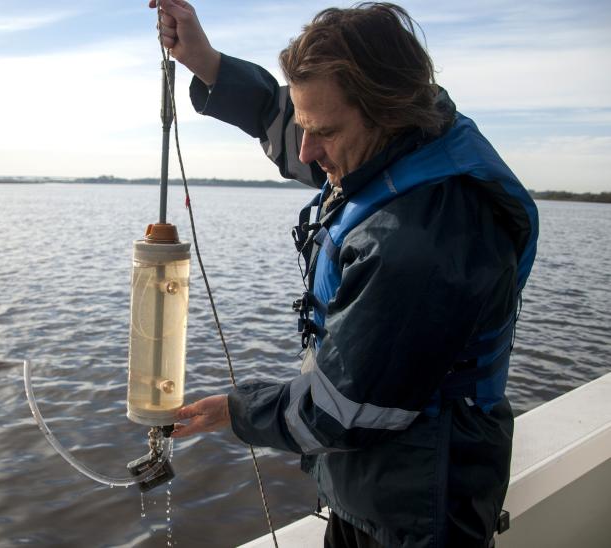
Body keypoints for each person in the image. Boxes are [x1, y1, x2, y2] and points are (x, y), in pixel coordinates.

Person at [149, 1, 539, 546]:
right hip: (371, 490)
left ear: (388, 112)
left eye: (324, 132)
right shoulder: (395, 145)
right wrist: (207, 62)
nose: (307, 152)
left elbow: (341, 413)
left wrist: (234, 410)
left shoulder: (422, 241)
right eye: (306, 126)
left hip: (418, 513)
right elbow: (283, 117)